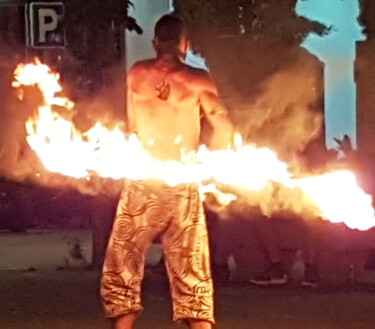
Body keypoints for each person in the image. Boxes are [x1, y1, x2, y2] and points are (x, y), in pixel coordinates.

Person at [100, 14, 234, 329]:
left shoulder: (136, 74)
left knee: (124, 262)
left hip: (143, 180)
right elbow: (224, 128)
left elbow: (133, 125)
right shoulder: (198, 79)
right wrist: (219, 167)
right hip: (183, 184)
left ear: (155, 42)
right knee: (191, 270)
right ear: (185, 45)